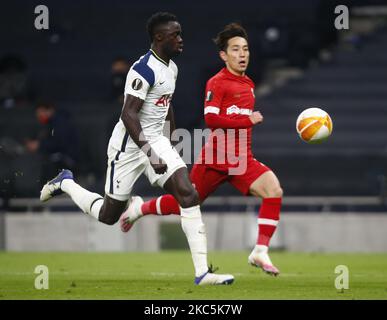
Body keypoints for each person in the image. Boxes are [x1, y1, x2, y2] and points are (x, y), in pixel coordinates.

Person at [39, 12, 234, 286]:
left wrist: (170, 140)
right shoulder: (142, 70)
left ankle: (202, 273)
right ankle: (66, 182)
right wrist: (151, 154)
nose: (181, 39)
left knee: (188, 195)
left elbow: (166, 105)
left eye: (180, 33)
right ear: (159, 38)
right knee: (109, 215)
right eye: (175, 34)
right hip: (128, 147)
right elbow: (129, 115)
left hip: (156, 140)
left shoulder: (172, 69)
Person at [120, 23, 283, 276]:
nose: (242, 54)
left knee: (273, 190)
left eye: (246, 49)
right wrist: (246, 120)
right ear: (224, 55)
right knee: (184, 203)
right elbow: (212, 120)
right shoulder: (217, 83)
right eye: (236, 49)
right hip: (216, 160)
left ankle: (260, 251)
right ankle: (139, 209)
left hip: (241, 160)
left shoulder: (249, 84)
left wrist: (244, 124)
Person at [25, 101, 79, 184]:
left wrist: (39, 145)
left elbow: (60, 144)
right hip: (60, 156)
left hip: (67, 158)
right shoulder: (50, 124)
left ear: (50, 110)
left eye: (42, 112)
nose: (40, 116)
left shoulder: (60, 122)